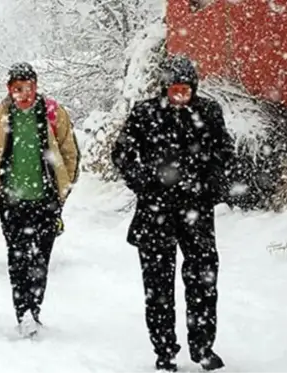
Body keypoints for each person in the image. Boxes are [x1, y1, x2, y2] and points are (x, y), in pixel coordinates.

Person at [111, 55, 234, 372]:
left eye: (186, 89)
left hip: (197, 213)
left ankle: (204, 348)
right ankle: (164, 351)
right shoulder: (145, 113)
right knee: (158, 290)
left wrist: (211, 185)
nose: (180, 95)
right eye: (175, 89)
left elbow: (224, 151)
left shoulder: (208, 112)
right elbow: (122, 152)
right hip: (155, 214)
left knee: (204, 284)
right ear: (165, 88)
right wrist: (144, 183)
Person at [0, 62, 80, 337]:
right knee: (18, 258)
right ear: (9, 89)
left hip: (45, 200)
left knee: (41, 259)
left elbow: (69, 151)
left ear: (36, 86)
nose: (24, 94)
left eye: (29, 88)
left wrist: (63, 188)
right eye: (18, 88)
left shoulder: (53, 113)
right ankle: (23, 312)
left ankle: (35, 308)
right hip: (11, 202)